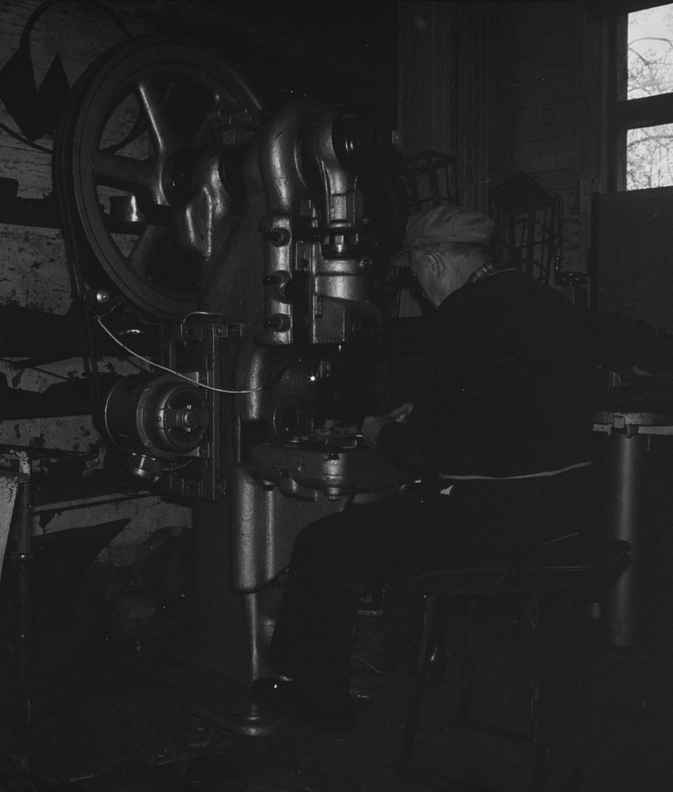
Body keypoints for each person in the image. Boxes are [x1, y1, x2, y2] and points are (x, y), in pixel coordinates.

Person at [250, 204, 596, 732]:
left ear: (432, 261)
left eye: (415, 274)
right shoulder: (549, 302)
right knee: (403, 518)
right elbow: (514, 407)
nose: (420, 290)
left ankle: (318, 699)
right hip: (565, 513)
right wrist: (436, 413)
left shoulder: (464, 314)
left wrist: (376, 429)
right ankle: (407, 646)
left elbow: (421, 453)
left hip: (500, 524)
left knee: (325, 544)